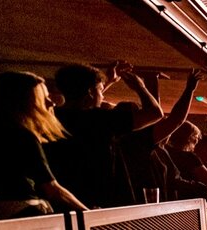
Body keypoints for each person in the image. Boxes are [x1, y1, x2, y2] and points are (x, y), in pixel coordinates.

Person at [0, 71, 88, 220]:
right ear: (24, 101)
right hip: (21, 212)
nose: (51, 103)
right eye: (43, 98)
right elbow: (52, 189)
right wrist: (90, 214)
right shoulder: (21, 135)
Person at [46, 61, 164, 208]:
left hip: (65, 202)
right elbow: (155, 113)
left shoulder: (51, 117)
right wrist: (140, 87)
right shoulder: (99, 119)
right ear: (90, 92)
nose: (102, 96)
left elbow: (82, 106)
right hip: (103, 203)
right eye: (100, 91)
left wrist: (107, 82)